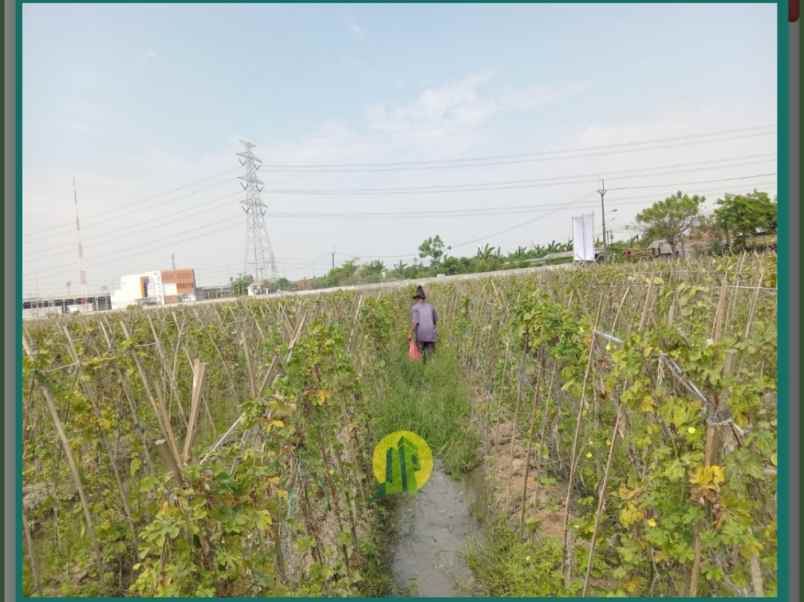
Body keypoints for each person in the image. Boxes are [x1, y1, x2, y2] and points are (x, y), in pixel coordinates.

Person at [409, 285, 438, 362]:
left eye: (416, 299)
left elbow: (415, 322)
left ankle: (423, 366)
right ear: (423, 298)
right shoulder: (431, 306)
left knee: (420, 354)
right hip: (431, 334)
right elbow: (435, 321)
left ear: (417, 298)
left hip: (421, 334)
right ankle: (431, 367)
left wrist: (410, 333)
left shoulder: (415, 308)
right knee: (430, 355)